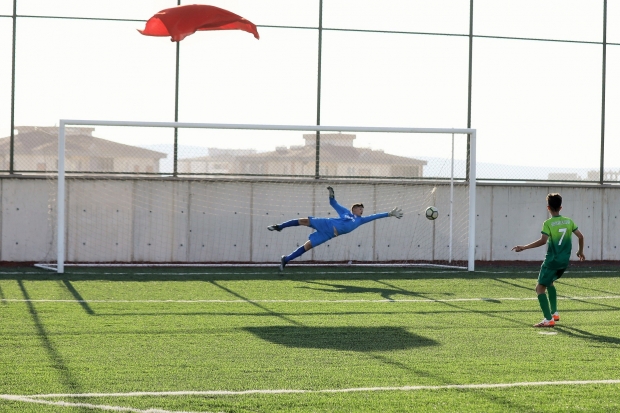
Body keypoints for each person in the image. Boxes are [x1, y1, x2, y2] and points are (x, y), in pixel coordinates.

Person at [268, 186, 403, 271]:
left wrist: (389, 214)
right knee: (304, 221)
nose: (362, 211)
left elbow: (375, 216)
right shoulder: (345, 212)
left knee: (307, 246)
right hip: (326, 224)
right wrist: (331, 193)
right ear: (354, 209)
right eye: (360, 209)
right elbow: (333, 203)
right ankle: (280, 226)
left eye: (362, 210)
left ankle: (285, 259)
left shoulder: (360, 220)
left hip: (329, 234)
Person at [512, 193, 585, 327]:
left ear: (548, 208)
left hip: (552, 261)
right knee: (550, 282)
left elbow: (542, 241)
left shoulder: (548, 223)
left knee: (539, 288)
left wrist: (524, 247)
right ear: (561, 208)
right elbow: (580, 236)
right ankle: (554, 313)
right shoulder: (569, 221)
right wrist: (580, 251)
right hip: (564, 262)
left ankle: (548, 319)